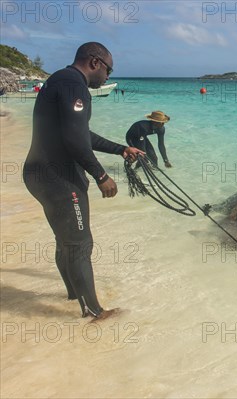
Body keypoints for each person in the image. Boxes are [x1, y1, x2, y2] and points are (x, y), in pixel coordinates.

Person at [23, 42, 145, 320]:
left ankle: (74, 295)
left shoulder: (60, 80)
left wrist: (120, 148)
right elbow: (75, 139)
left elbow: (79, 132)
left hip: (38, 174)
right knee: (80, 244)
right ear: (94, 62)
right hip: (59, 179)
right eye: (108, 70)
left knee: (66, 240)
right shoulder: (74, 85)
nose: (108, 77)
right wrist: (101, 175)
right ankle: (93, 313)